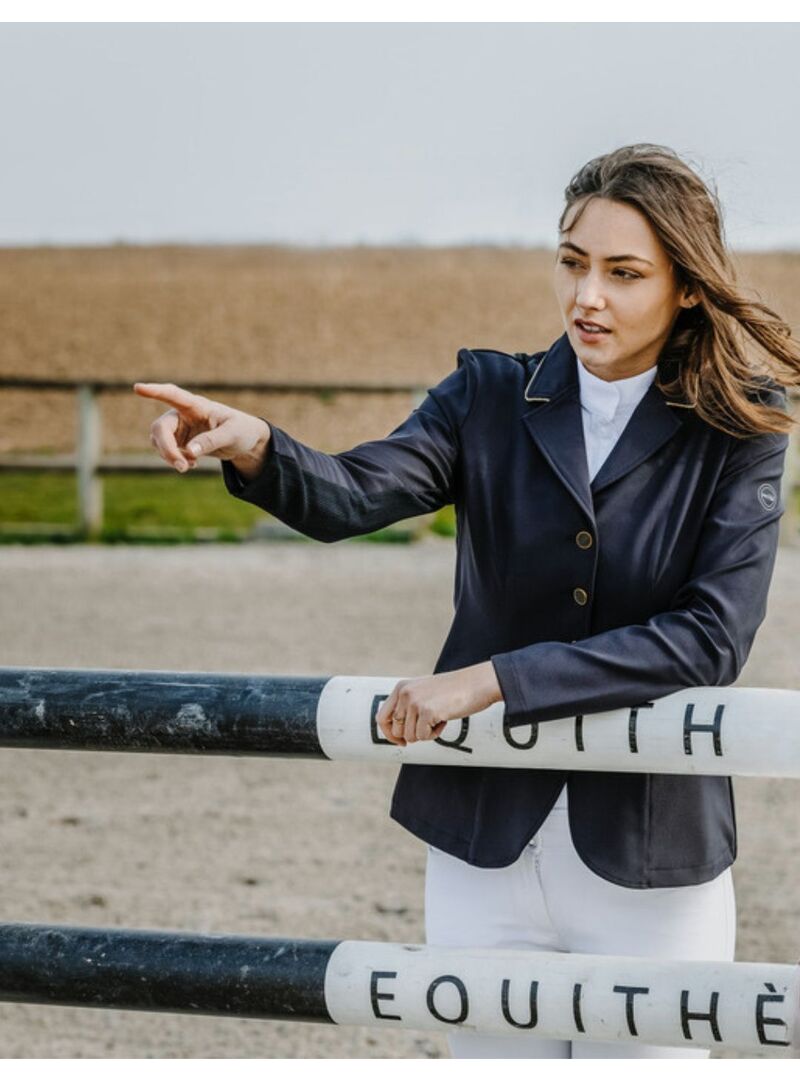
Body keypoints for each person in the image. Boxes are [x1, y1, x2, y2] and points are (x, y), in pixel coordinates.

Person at [135, 143, 800, 1058]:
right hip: (483, 842)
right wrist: (257, 446)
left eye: (623, 272)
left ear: (687, 285)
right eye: (572, 264)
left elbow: (707, 638)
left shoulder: (743, 429)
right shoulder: (485, 394)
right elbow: (353, 494)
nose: (586, 297)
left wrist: (489, 680)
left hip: (649, 857)